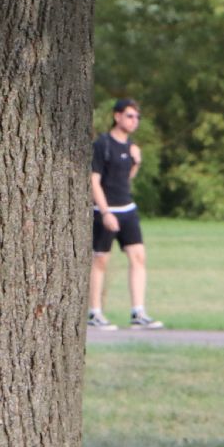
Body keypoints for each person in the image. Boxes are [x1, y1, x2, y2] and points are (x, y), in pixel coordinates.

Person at [88, 98, 163, 330]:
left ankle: (138, 312)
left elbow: (124, 180)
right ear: (117, 116)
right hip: (105, 210)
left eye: (137, 117)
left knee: (138, 257)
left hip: (127, 208)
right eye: (130, 116)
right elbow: (94, 180)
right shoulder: (102, 144)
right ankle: (94, 313)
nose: (134, 121)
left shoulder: (130, 147)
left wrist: (136, 163)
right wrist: (105, 212)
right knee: (100, 260)